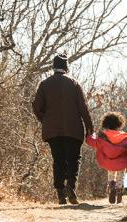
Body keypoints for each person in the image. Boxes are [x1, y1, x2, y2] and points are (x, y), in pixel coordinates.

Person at [32, 54, 94, 205]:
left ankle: (60, 193)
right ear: (66, 67)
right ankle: (71, 188)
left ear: (53, 67)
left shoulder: (44, 84)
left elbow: (36, 106)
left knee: (58, 160)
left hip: (53, 131)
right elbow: (83, 108)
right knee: (74, 159)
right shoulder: (74, 83)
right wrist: (89, 128)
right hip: (73, 130)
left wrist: (45, 120)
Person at [86, 112, 127, 204]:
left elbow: (92, 141)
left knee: (111, 174)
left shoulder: (102, 137)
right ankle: (119, 191)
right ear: (119, 125)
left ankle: (111, 187)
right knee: (120, 177)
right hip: (121, 163)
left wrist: (90, 135)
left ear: (105, 124)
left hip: (108, 162)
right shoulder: (125, 137)